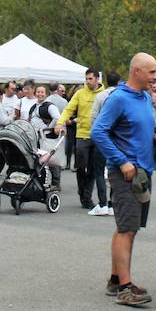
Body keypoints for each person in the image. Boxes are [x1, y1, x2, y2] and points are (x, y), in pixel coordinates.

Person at [90, 53, 156, 307]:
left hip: (143, 172)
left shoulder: (143, 97)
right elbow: (98, 130)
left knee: (129, 228)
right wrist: (121, 160)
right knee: (126, 228)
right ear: (136, 71)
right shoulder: (118, 97)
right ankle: (125, 288)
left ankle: (116, 279)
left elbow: (140, 128)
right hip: (126, 173)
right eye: (151, 72)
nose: (155, 77)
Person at [54, 69, 109, 214]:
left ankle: (87, 197)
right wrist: (60, 122)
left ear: (97, 79)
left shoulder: (104, 94)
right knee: (80, 166)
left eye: (90, 79)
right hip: (81, 135)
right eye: (86, 79)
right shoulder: (80, 93)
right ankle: (82, 190)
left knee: (92, 169)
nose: (88, 81)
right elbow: (68, 109)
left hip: (97, 136)